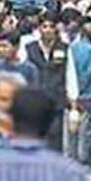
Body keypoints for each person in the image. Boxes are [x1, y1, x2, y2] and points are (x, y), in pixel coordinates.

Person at [24, 12, 68, 152]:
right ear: (39, 29)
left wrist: (73, 102)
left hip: (56, 101)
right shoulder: (29, 48)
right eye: (44, 26)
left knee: (55, 139)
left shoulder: (65, 48)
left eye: (51, 26)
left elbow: (70, 74)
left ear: (56, 29)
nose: (48, 30)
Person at [66, 16, 91, 166]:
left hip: (73, 94)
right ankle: (83, 156)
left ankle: (71, 155)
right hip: (88, 93)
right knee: (86, 128)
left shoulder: (72, 48)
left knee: (72, 126)